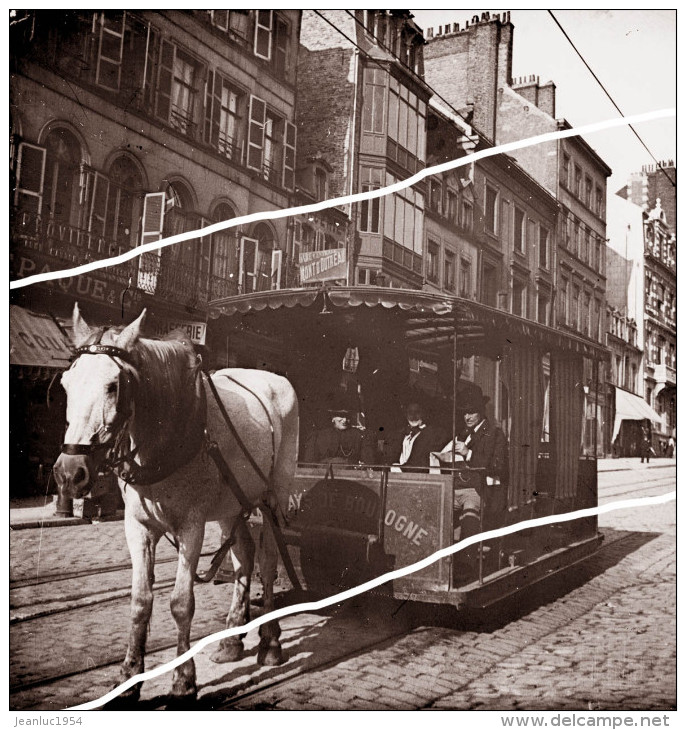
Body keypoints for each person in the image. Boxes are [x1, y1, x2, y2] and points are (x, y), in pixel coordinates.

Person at [434, 388, 509, 576]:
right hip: (455, 487)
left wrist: (468, 453)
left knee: (469, 517)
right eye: (464, 412)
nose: (467, 416)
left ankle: (465, 565)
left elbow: (497, 466)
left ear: (482, 412)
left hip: (478, 490)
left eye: (471, 412)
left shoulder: (494, 434)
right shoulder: (462, 433)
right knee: (433, 510)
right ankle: (435, 561)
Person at [303, 407, 373, 465]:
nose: (345, 420)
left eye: (347, 417)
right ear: (333, 418)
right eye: (341, 416)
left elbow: (368, 463)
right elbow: (309, 465)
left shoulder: (359, 436)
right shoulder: (319, 436)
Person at [388, 402, 443, 472]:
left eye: (417, 412)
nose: (413, 416)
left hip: (419, 477)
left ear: (423, 413)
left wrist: (400, 468)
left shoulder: (432, 434)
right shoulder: (400, 433)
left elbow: (420, 461)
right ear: (406, 414)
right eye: (410, 412)